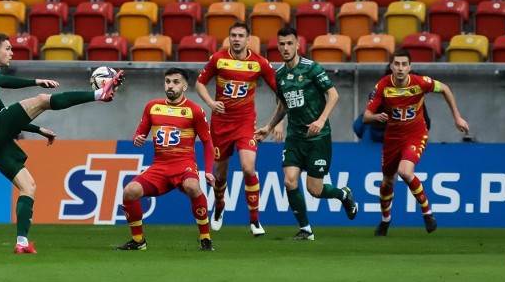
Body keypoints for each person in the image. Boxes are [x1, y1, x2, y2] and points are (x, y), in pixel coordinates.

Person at [0, 33, 124, 254]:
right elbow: (3, 82)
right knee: (42, 100)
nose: (11, 52)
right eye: (8, 48)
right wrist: (35, 81)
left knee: (28, 187)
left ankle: (22, 242)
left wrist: (38, 129)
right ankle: (98, 94)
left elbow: (3, 113)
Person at [255, 27, 358, 240]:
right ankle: (306, 230)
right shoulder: (280, 75)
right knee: (289, 181)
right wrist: (271, 125)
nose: (285, 48)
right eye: (281, 44)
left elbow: (333, 95)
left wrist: (321, 120)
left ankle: (343, 195)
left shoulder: (312, 69)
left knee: (315, 190)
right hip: (295, 138)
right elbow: (283, 104)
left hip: (317, 138)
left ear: (297, 45)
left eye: (289, 43)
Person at [363, 50, 469, 236]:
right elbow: (365, 117)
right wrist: (375, 117)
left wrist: (457, 117)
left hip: (415, 134)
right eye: (397, 64)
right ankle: (385, 220)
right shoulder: (383, 86)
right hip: (392, 138)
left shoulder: (420, 83)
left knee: (405, 171)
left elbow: (444, 88)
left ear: (410, 67)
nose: (400, 68)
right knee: (388, 181)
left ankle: (427, 213)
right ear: (391, 66)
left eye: (404, 64)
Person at [116, 67, 217, 251]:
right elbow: (139, 134)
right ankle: (138, 241)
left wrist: (208, 171)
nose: (170, 86)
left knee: (193, 187)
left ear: (185, 86)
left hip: (184, 165)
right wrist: (137, 139)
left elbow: (207, 142)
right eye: (168, 81)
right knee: (129, 191)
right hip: (159, 168)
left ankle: (205, 238)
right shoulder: (152, 107)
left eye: (176, 82)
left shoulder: (194, 111)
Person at [194, 22, 280, 236]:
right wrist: (211, 104)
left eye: (241, 35)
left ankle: (254, 220)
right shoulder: (218, 59)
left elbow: (281, 91)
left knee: (248, 168)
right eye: (233, 35)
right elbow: (199, 83)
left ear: (248, 39)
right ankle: (220, 207)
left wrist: (278, 122)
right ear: (229, 38)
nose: (237, 39)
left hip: (245, 122)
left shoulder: (260, 63)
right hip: (221, 123)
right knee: (220, 175)